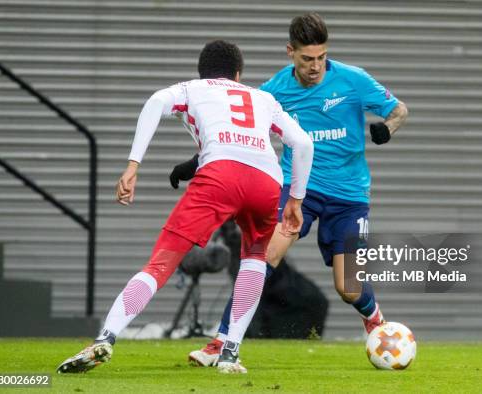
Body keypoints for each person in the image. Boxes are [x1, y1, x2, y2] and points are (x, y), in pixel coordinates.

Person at [56, 40, 313, 375]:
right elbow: (303, 143)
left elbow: (154, 102)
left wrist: (133, 165)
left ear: (202, 72)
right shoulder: (264, 98)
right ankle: (230, 354)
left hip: (220, 175)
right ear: (238, 74)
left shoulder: (192, 89)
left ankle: (106, 337)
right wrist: (296, 199)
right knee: (254, 258)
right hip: (267, 181)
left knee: (160, 263)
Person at [176, 13, 408, 367]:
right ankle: (221, 342)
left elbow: (400, 110)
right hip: (298, 189)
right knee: (263, 256)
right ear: (290, 52)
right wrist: (194, 164)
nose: (315, 67)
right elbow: (236, 133)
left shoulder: (353, 80)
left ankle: (374, 320)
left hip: (349, 197)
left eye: (321, 57)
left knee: (348, 287)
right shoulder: (273, 92)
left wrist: (387, 129)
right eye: (307, 59)